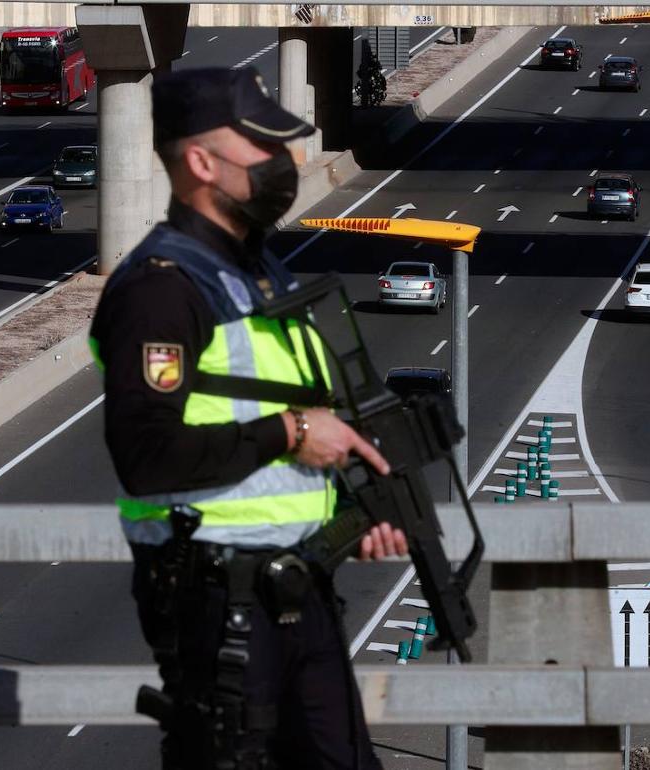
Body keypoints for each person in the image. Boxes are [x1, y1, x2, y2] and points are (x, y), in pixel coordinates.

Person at [90, 66, 408, 769]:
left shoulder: (258, 273)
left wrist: (349, 519)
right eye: (262, 150)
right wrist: (291, 433)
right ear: (202, 162)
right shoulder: (158, 291)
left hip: (297, 589)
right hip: (215, 599)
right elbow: (146, 457)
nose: (284, 167)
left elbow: (283, 433)